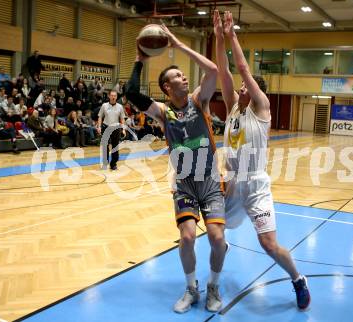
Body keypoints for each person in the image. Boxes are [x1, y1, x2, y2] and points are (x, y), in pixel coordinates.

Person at [125, 24, 227, 314]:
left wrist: (179, 45)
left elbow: (213, 72)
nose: (184, 78)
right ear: (167, 88)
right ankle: (191, 288)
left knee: (218, 240)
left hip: (208, 181)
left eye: (183, 75)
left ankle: (214, 287)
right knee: (187, 237)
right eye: (177, 77)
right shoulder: (161, 112)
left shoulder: (199, 100)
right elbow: (130, 91)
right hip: (184, 183)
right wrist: (140, 60)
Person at [213, 10, 311, 310]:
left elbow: (241, 67)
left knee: (268, 245)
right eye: (242, 86)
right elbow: (225, 72)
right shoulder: (232, 108)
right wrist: (218, 39)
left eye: (248, 86)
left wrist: (232, 35)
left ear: (256, 93)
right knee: (215, 230)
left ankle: (298, 279)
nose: (241, 87)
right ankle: (221, 251)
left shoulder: (262, 109)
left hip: (256, 186)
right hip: (232, 183)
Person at [96, 90, 125, 170]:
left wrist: (123, 129)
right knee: (105, 146)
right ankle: (105, 163)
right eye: (112, 95)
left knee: (115, 146)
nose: (113, 97)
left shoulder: (120, 107)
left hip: (116, 128)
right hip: (106, 127)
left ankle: (113, 164)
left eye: (115, 96)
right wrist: (99, 127)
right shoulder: (104, 105)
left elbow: (122, 118)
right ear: (109, 96)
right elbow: (100, 117)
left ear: (116, 97)